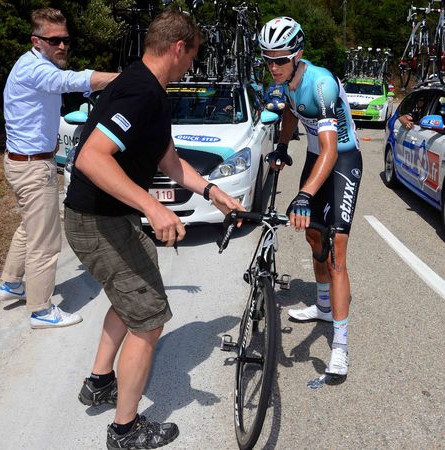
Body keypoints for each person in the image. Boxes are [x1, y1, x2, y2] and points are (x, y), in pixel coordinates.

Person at [64, 10, 244, 449]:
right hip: (97, 221)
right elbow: (91, 157)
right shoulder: (141, 92)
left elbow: (169, 161)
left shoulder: (151, 90)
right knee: (149, 319)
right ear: (179, 47)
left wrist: (212, 191)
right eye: (193, 55)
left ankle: (99, 382)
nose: (192, 64)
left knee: (131, 298)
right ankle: (125, 430)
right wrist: (152, 206)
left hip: (113, 218)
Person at [0, 7, 118, 328]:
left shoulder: (33, 63)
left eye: (65, 39)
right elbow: (70, 80)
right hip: (33, 168)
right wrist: (127, 78)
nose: (62, 46)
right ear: (36, 41)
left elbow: (71, 82)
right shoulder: (36, 70)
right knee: (46, 242)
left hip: (23, 162)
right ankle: (40, 310)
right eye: (54, 40)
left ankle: (11, 283)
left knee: (30, 227)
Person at [259, 17, 362, 378]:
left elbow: (331, 151)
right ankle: (323, 305)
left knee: (336, 254)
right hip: (315, 158)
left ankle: (340, 346)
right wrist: (282, 146)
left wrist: (303, 194)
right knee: (313, 236)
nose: (273, 67)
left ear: (298, 54)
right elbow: (291, 112)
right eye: (268, 60)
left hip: (342, 161)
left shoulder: (321, 84)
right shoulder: (285, 81)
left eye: (280, 60)